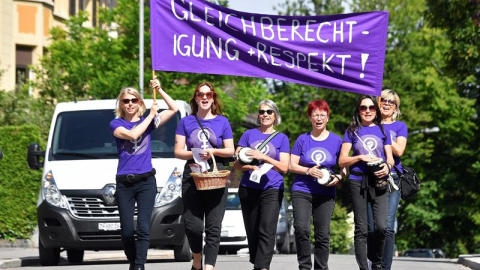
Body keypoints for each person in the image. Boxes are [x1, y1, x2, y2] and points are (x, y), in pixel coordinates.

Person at [110, 79, 179, 270]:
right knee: (126, 231)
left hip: (146, 181)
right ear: (121, 105)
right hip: (124, 183)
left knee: (143, 228)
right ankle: (133, 260)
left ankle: (139, 266)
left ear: (140, 102)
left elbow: (173, 109)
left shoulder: (147, 121)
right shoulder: (116, 123)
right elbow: (133, 135)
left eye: (134, 100)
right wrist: (151, 116)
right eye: (126, 101)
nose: (130, 104)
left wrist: (159, 89)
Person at [174, 82, 235, 270]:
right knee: (193, 226)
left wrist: (213, 152)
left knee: (213, 227)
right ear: (196, 98)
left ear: (213, 97)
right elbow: (177, 151)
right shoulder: (186, 121)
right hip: (192, 176)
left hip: (216, 176)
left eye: (208, 94)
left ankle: (209, 267)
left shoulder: (222, 121)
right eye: (201, 94)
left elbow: (231, 150)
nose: (205, 97)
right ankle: (197, 257)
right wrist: (196, 153)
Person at [289, 100, 347, 270]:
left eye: (323, 115)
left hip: (326, 193)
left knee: (322, 235)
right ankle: (305, 267)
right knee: (301, 229)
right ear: (310, 118)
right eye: (315, 115)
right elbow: (291, 165)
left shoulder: (336, 140)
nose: (319, 118)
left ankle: (321, 268)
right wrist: (308, 171)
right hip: (302, 189)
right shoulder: (302, 139)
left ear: (328, 118)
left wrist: (339, 177)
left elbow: (344, 166)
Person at [339, 95, 394, 270]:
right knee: (361, 228)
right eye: (363, 108)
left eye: (371, 107)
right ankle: (364, 267)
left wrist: (387, 166)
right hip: (357, 181)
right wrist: (360, 157)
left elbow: (390, 159)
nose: (368, 111)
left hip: (379, 181)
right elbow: (342, 161)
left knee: (381, 227)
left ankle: (376, 261)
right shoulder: (352, 131)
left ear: (376, 111)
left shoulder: (383, 130)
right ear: (358, 111)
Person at [233, 100, 290, 270]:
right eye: (262, 111)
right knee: (252, 230)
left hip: (272, 187)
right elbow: (236, 163)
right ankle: (258, 263)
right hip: (249, 188)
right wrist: (249, 166)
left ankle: (262, 267)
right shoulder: (248, 134)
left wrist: (263, 157)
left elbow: (284, 167)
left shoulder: (281, 138)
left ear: (275, 115)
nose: (265, 114)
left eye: (269, 112)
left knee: (267, 228)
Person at [367, 90, 408, 270]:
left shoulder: (399, 126)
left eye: (391, 102)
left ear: (396, 107)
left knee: (388, 227)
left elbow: (399, 151)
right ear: (378, 102)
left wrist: (382, 137)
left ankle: (384, 267)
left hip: (392, 179)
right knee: (372, 227)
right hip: (369, 177)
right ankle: (373, 261)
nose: (387, 103)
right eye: (383, 100)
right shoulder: (369, 124)